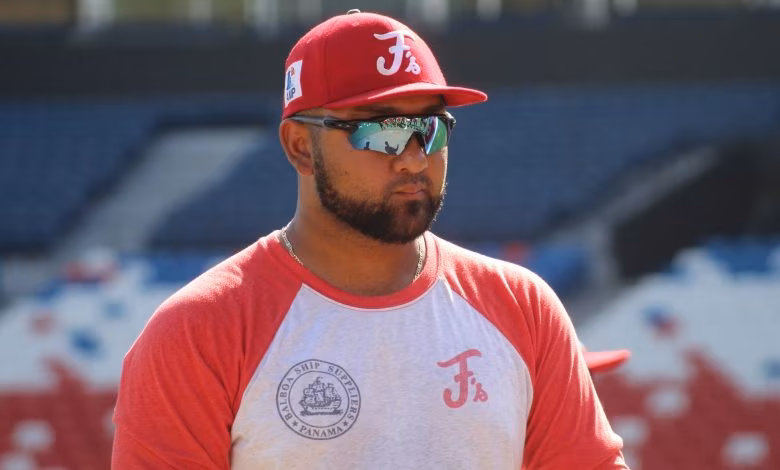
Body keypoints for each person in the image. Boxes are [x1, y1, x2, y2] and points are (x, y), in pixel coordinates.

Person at [112, 9, 628, 469]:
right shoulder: (198, 330)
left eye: (431, 129)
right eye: (380, 131)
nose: (412, 157)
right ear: (299, 147)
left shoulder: (523, 306)